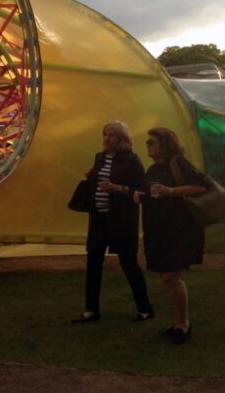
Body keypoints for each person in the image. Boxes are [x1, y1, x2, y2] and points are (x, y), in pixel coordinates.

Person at [72, 121, 154, 325]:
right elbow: (98, 179)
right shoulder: (99, 157)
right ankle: (91, 309)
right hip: (99, 218)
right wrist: (91, 177)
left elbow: (140, 189)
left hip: (121, 220)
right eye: (105, 134)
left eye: (112, 135)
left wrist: (118, 189)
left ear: (122, 139)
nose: (107, 139)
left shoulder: (132, 160)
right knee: (93, 262)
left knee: (128, 262)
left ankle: (145, 308)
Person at [134, 127, 208, 344]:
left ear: (165, 145)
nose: (147, 145)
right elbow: (150, 192)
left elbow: (201, 187)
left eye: (151, 142)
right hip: (159, 229)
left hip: (180, 228)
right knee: (169, 279)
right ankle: (179, 322)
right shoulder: (152, 169)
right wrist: (139, 195)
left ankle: (183, 325)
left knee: (170, 276)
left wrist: (171, 191)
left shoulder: (178, 163)